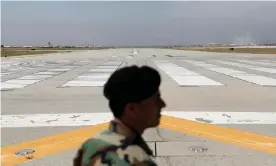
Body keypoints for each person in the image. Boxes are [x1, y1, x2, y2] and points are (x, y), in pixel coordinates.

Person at [73, 65, 166, 166]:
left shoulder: (89, 145)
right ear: (131, 109)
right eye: (156, 100)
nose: (163, 104)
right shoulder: (138, 159)